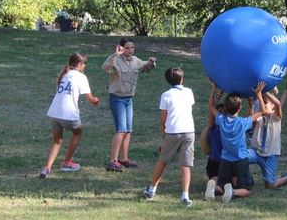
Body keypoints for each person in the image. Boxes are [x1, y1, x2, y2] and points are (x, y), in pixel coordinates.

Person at [40, 52, 100, 178]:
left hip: (55, 112)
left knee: (57, 141)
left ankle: (46, 167)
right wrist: (96, 100)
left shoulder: (63, 74)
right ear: (79, 64)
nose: (85, 67)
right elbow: (90, 99)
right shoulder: (81, 77)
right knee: (78, 132)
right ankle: (67, 162)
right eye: (84, 64)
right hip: (69, 113)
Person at [143, 67, 195, 207]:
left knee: (163, 160)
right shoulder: (189, 92)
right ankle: (185, 196)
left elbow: (163, 117)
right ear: (182, 79)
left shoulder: (166, 95)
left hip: (172, 131)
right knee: (185, 165)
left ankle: (152, 189)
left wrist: (164, 131)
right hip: (189, 131)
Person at [205, 81, 265, 203]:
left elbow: (211, 107)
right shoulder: (243, 122)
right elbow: (262, 111)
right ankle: (233, 192)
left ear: (225, 108)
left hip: (225, 160)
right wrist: (258, 94)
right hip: (240, 159)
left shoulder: (221, 120)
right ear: (240, 108)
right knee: (247, 189)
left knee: (222, 186)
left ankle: (213, 187)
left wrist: (213, 89)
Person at [103, 37, 157, 172]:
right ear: (121, 48)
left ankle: (124, 159)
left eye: (132, 47)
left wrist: (151, 62)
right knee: (121, 130)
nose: (130, 50)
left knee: (128, 131)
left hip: (129, 100)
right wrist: (115, 54)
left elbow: (145, 67)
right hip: (117, 99)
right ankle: (113, 161)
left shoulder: (135, 61)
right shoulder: (116, 60)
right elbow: (106, 68)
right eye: (127, 48)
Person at [248, 85, 287, 189]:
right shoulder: (260, 116)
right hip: (257, 152)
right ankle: (244, 179)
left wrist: (263, 92)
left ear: (272, 106)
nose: (265, 106)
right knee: (240, 157)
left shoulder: (276, 116)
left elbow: (278, 103)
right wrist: (255, 99)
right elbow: (251, 118)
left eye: (267, 104)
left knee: (270, 185)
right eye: (263, 104)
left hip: (270, 155)